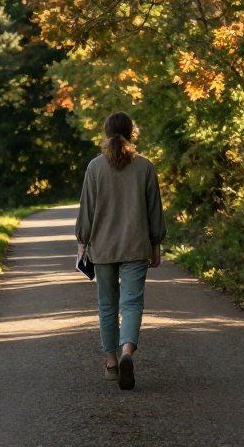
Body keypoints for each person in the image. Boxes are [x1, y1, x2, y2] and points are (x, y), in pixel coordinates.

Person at [75, 111, 166, 391]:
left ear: (106, 132)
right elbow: (154, 210)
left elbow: (87, 210)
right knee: (132, 303)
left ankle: (112, 362)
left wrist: (82, 243)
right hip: (136, 246)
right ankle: (128, 352)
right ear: (131, 132)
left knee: (107, 305)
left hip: (102, 248)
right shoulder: (145, 167)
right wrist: (156, 243)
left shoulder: (95, 167)